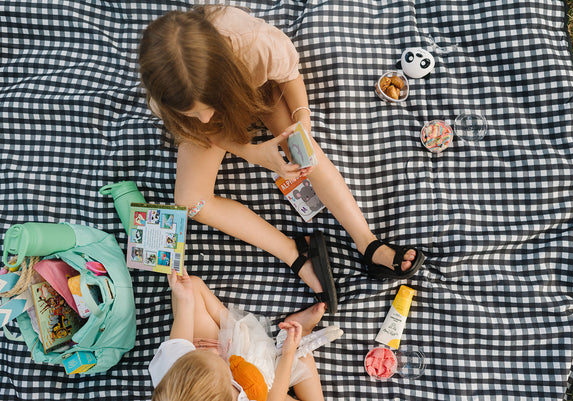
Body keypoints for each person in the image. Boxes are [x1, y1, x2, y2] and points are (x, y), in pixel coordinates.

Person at [138, 5, 424, 312]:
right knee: (192, 203)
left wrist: (302, 126)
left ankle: (368, 243)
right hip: (227, 119)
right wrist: (249, 151)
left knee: (304, 152)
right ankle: (294, 251)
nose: (204, 117)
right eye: (193, 111)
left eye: (207, 104)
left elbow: (290, 78)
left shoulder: (258, 44)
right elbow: (204, 128)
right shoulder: (165, 90)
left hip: (260, 90)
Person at [149, 268, 328, 401]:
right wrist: (288, 354)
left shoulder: (172, 371)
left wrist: (185, 299)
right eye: (219, 362)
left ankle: (239, 330)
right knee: (298, 359)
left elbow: (180, 337)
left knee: (191, 288)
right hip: (258, 391)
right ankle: (301, 334)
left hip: (228, 361)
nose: (213, 353)